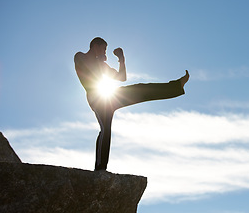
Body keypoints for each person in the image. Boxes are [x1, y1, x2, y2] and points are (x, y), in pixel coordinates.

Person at [74, 37, 189, 171]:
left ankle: (176, 86)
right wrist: (99, 60)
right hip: (96, 98)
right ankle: (100, 169)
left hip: (108, 96)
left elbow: (122, 77)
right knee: (105, 130)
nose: (105, 52)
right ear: (95, 45)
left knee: (140, 89)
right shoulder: (80, 56)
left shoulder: (101, 64)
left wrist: (121, 59)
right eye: (104, 48)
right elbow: (86, 68)